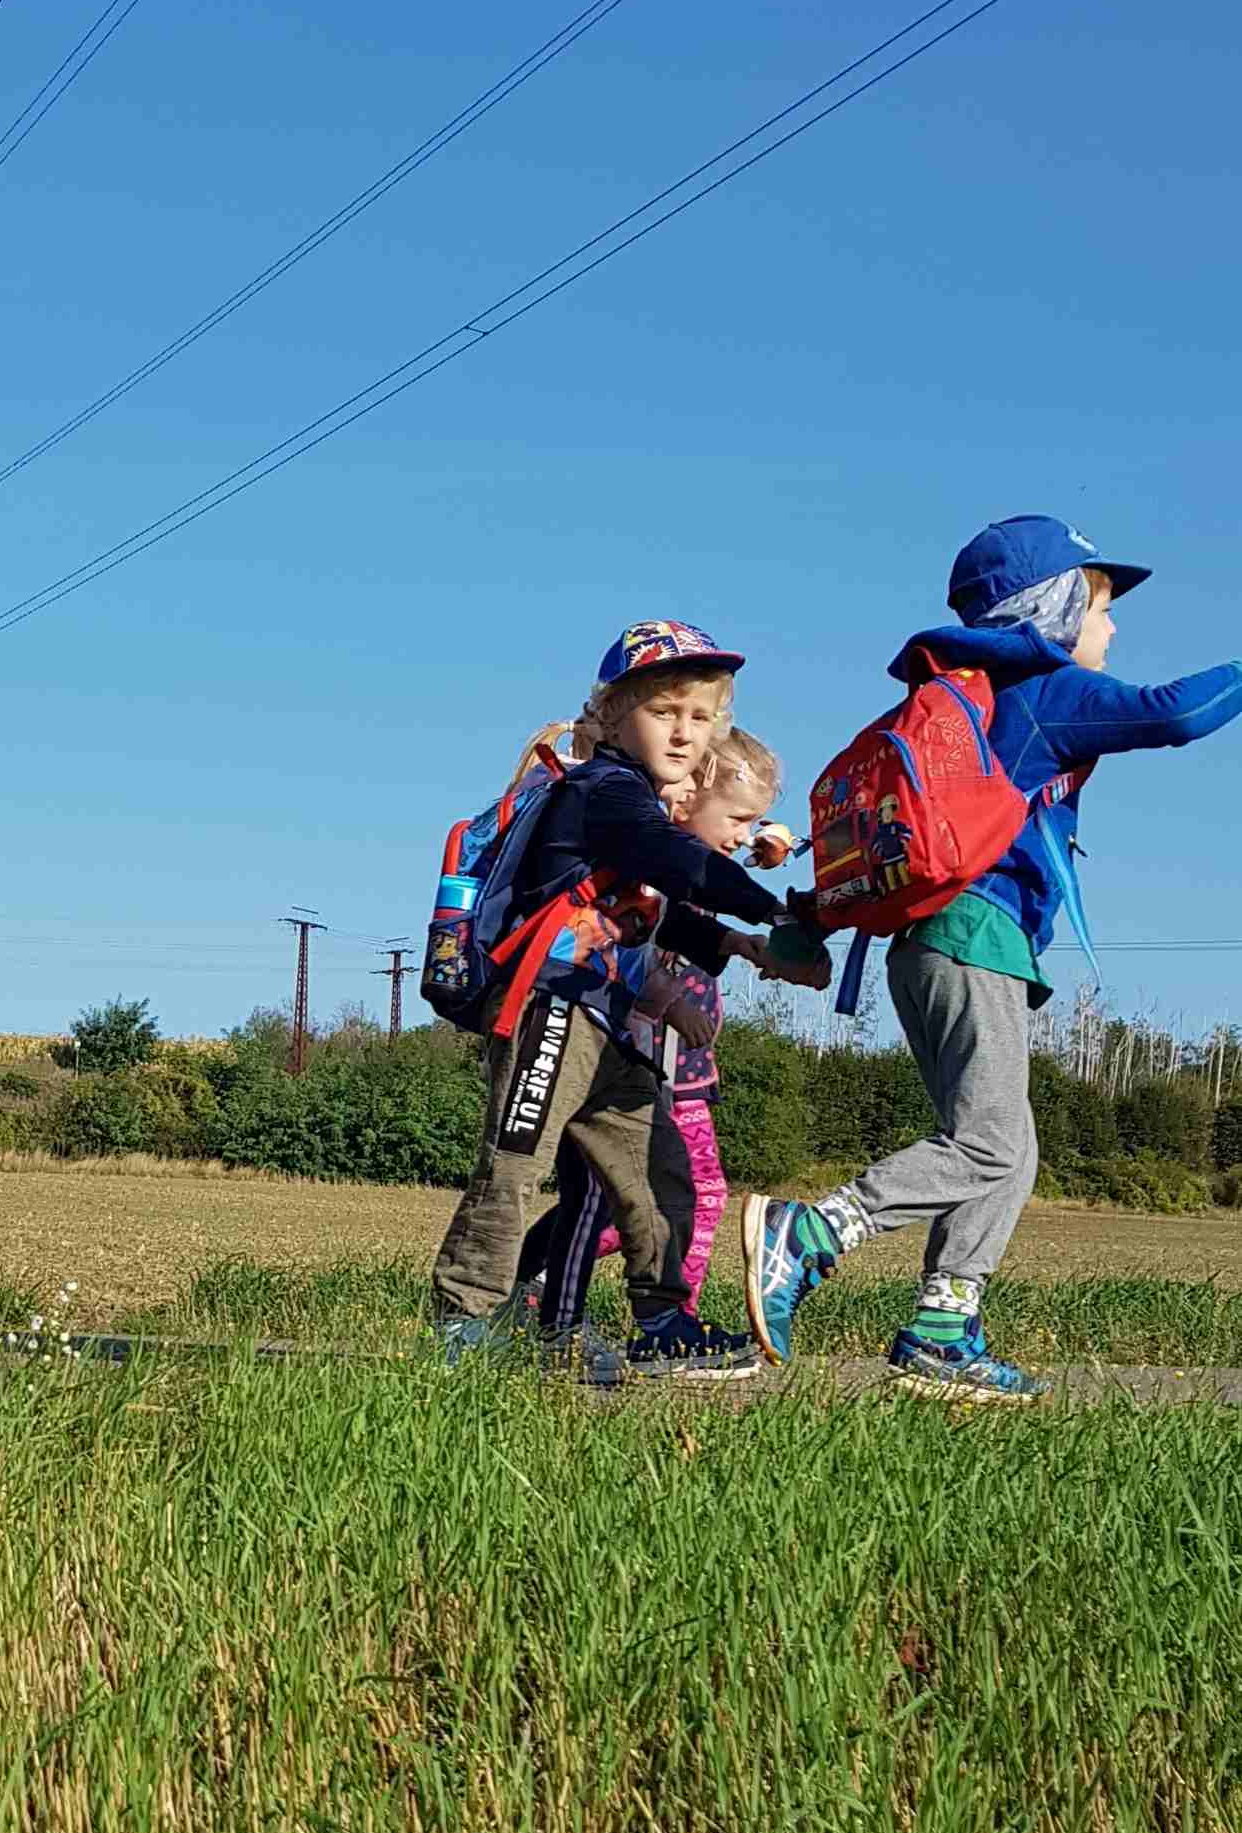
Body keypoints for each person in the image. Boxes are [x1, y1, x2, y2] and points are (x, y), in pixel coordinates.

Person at [745, 514, 1242, 1401]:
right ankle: (813, 1232)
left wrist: (811, 920)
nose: (1112, 628)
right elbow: (1176, 713)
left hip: (930, 946)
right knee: (987, 1143)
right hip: (975, 941)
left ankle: (944, 1325)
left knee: (1008, 1151)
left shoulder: (966, 702)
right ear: (1053, 609)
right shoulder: (1046, 691)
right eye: (1100, 606)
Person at [433, 619, 829, 1377]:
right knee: (514, 1166)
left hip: (612, 1020)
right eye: (663, 711)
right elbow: (672, 860)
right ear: (614, 715)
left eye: (701, 717)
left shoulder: (634, 800)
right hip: (551, 1008)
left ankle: (664, 1324)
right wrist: (771, 913)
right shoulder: (604, 792)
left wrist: (736, 944)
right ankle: (463, 1322)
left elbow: (652, 905)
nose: (683, 732)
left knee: (658, 1172)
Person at [526, 726, 789, 1360]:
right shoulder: (649, 857)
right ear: (690, 791)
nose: (744, 835)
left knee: (643, 1192)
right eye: (739, 819)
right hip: (612, 1045)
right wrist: (669, 998)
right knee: (604, 1194)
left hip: (654, 1061)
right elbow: (619, 945)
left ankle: (645, 1318)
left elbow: (707, 887)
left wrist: (767, 862)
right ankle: (563, 1312)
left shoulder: (678, 862)